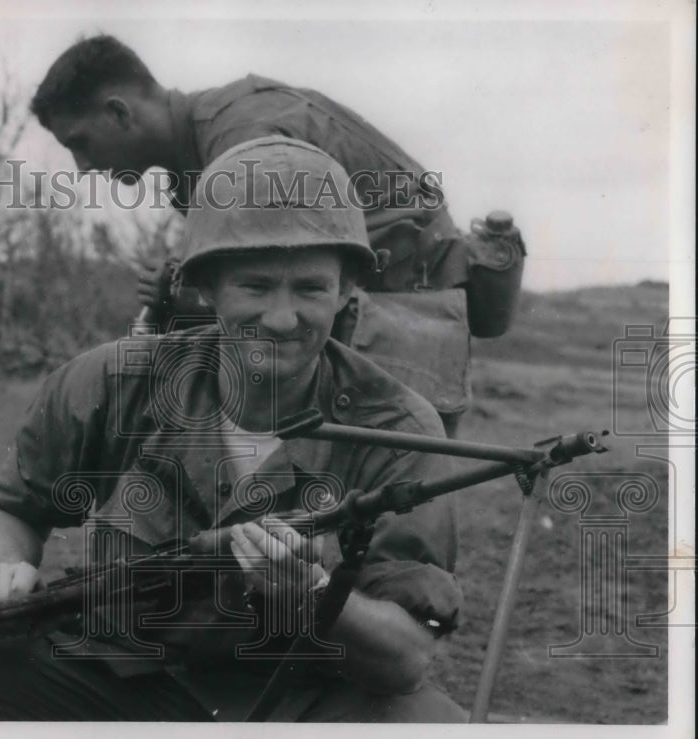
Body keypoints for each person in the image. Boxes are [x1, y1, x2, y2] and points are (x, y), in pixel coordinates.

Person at [0, 137, 465, 722]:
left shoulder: (401, 428)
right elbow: (15, 507)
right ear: (206, 289)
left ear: (346, 289)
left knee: (432, 729)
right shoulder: (114, 381)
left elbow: (406, 658)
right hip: (119, 676)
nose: (284, 319)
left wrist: (312, 593)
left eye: (311, 288)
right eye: (255, 287)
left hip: (297, 693)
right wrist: (7, 572)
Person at [30, 34, 527, 437]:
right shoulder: (198, 162)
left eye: (81, 143)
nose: (84, 165)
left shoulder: (246, 138)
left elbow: (270, 275)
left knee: (396, 500)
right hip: (351, 312)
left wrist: (179, 295)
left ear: (119, 113)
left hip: (404, 312)